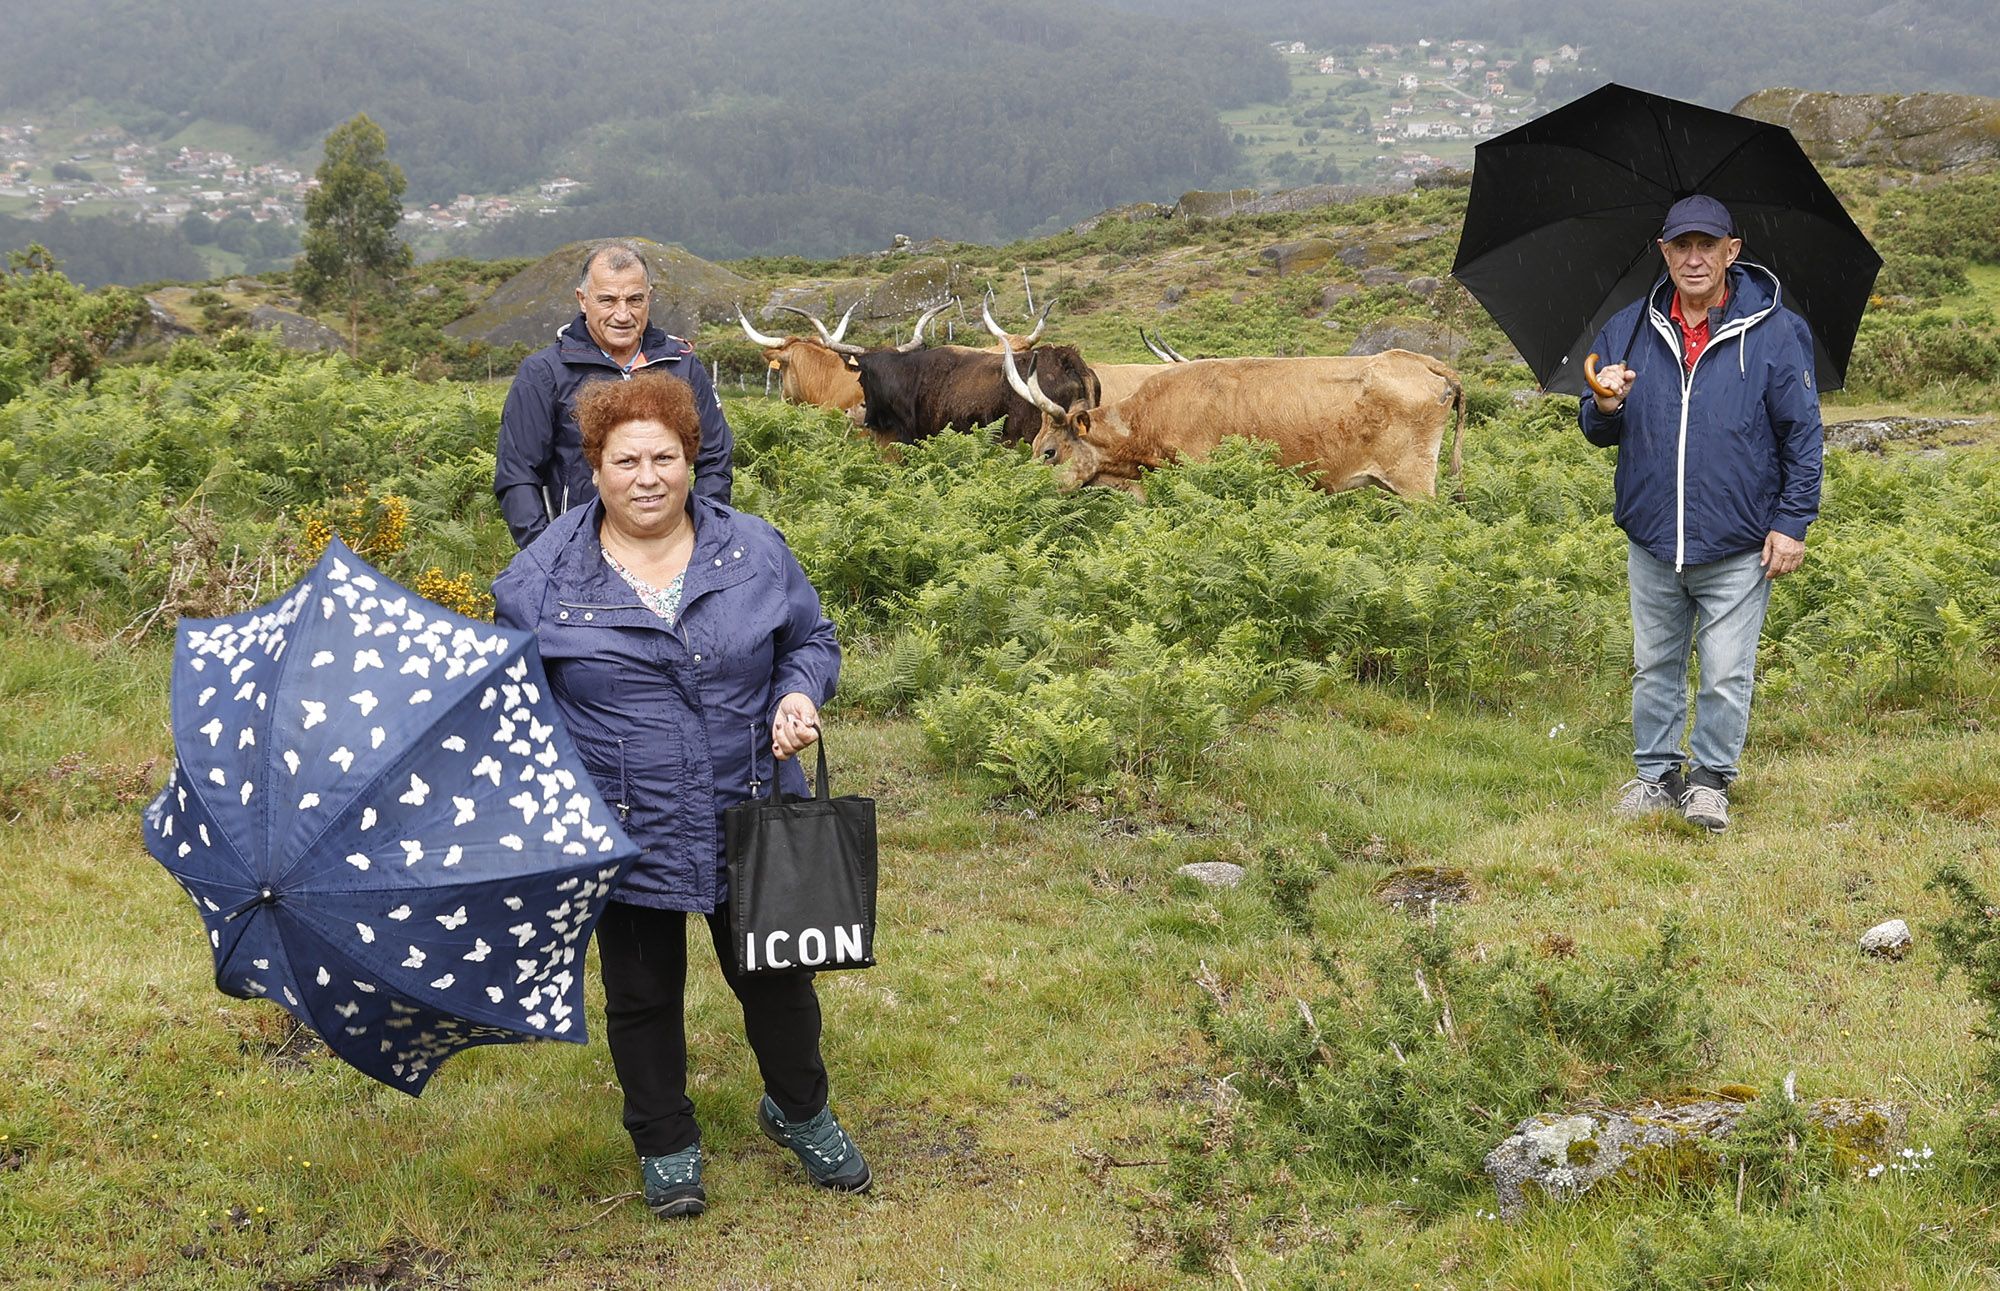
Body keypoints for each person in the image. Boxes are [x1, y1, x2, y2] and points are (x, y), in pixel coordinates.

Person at [493, 374, 869, 1218]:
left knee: (778, 979)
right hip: (622, 827)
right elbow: (509, 698)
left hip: (751, 807)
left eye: (666, 456)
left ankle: (800, 1110)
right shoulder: (542, 575)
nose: (648, 475)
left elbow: (810, 638)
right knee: (640, 993)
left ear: (692, 458)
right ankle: (666, 1142)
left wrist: (799, 694)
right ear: (594, 467)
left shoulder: (754, 550)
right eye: (626, 458)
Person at [1580, 194, 1823, 833]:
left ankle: (1710, 780)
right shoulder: (1629, 327)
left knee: (1723, 671)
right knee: (1655, 665)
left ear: (1731, 252)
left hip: (1740, 541)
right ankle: (1657, 776)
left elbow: (1802, 435)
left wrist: (1792, 523)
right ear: (1663, 252)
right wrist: (1605, 405)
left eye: (1706, 246)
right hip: (1653, 537)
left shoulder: (1774, 331)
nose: (1693, 259)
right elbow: (1598, 428)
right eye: (1680, 246)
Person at [492, 239, 735, 548]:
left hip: (673, 550)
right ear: (582, 299)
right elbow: (518, 475)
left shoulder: (683, 365)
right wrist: (546, 552)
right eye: (607, 300)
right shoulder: (543, 373)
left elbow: (715, 458)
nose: (622, 314)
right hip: (579, 549)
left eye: (634, 300)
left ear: (649, 297)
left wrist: (703, 536)